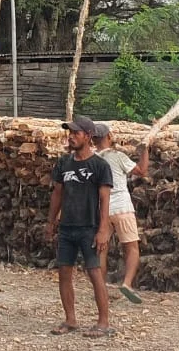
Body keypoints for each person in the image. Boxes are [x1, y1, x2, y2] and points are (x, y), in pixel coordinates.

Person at [46, 115, 114, 337]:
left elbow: (105, 200)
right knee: (64, 272)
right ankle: (70, 320)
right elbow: (57, 193)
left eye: (76, 133)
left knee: (94, 273)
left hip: (90, 228)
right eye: (70, 133)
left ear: (88, 136)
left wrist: (103, 230)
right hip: (67, 227)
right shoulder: (63, 163)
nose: (71, 137)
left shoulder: (99, 166)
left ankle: (103, 322)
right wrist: (51, 222)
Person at [92, 122, 148, 304]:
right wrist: (145, 150)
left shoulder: (91, 159)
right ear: (109, 136)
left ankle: (100, 287)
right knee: (131, 247)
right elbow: (141, 171)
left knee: (101, 249)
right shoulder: (117, 156)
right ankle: (127, 283)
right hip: (122, 207)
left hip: (102, 210)